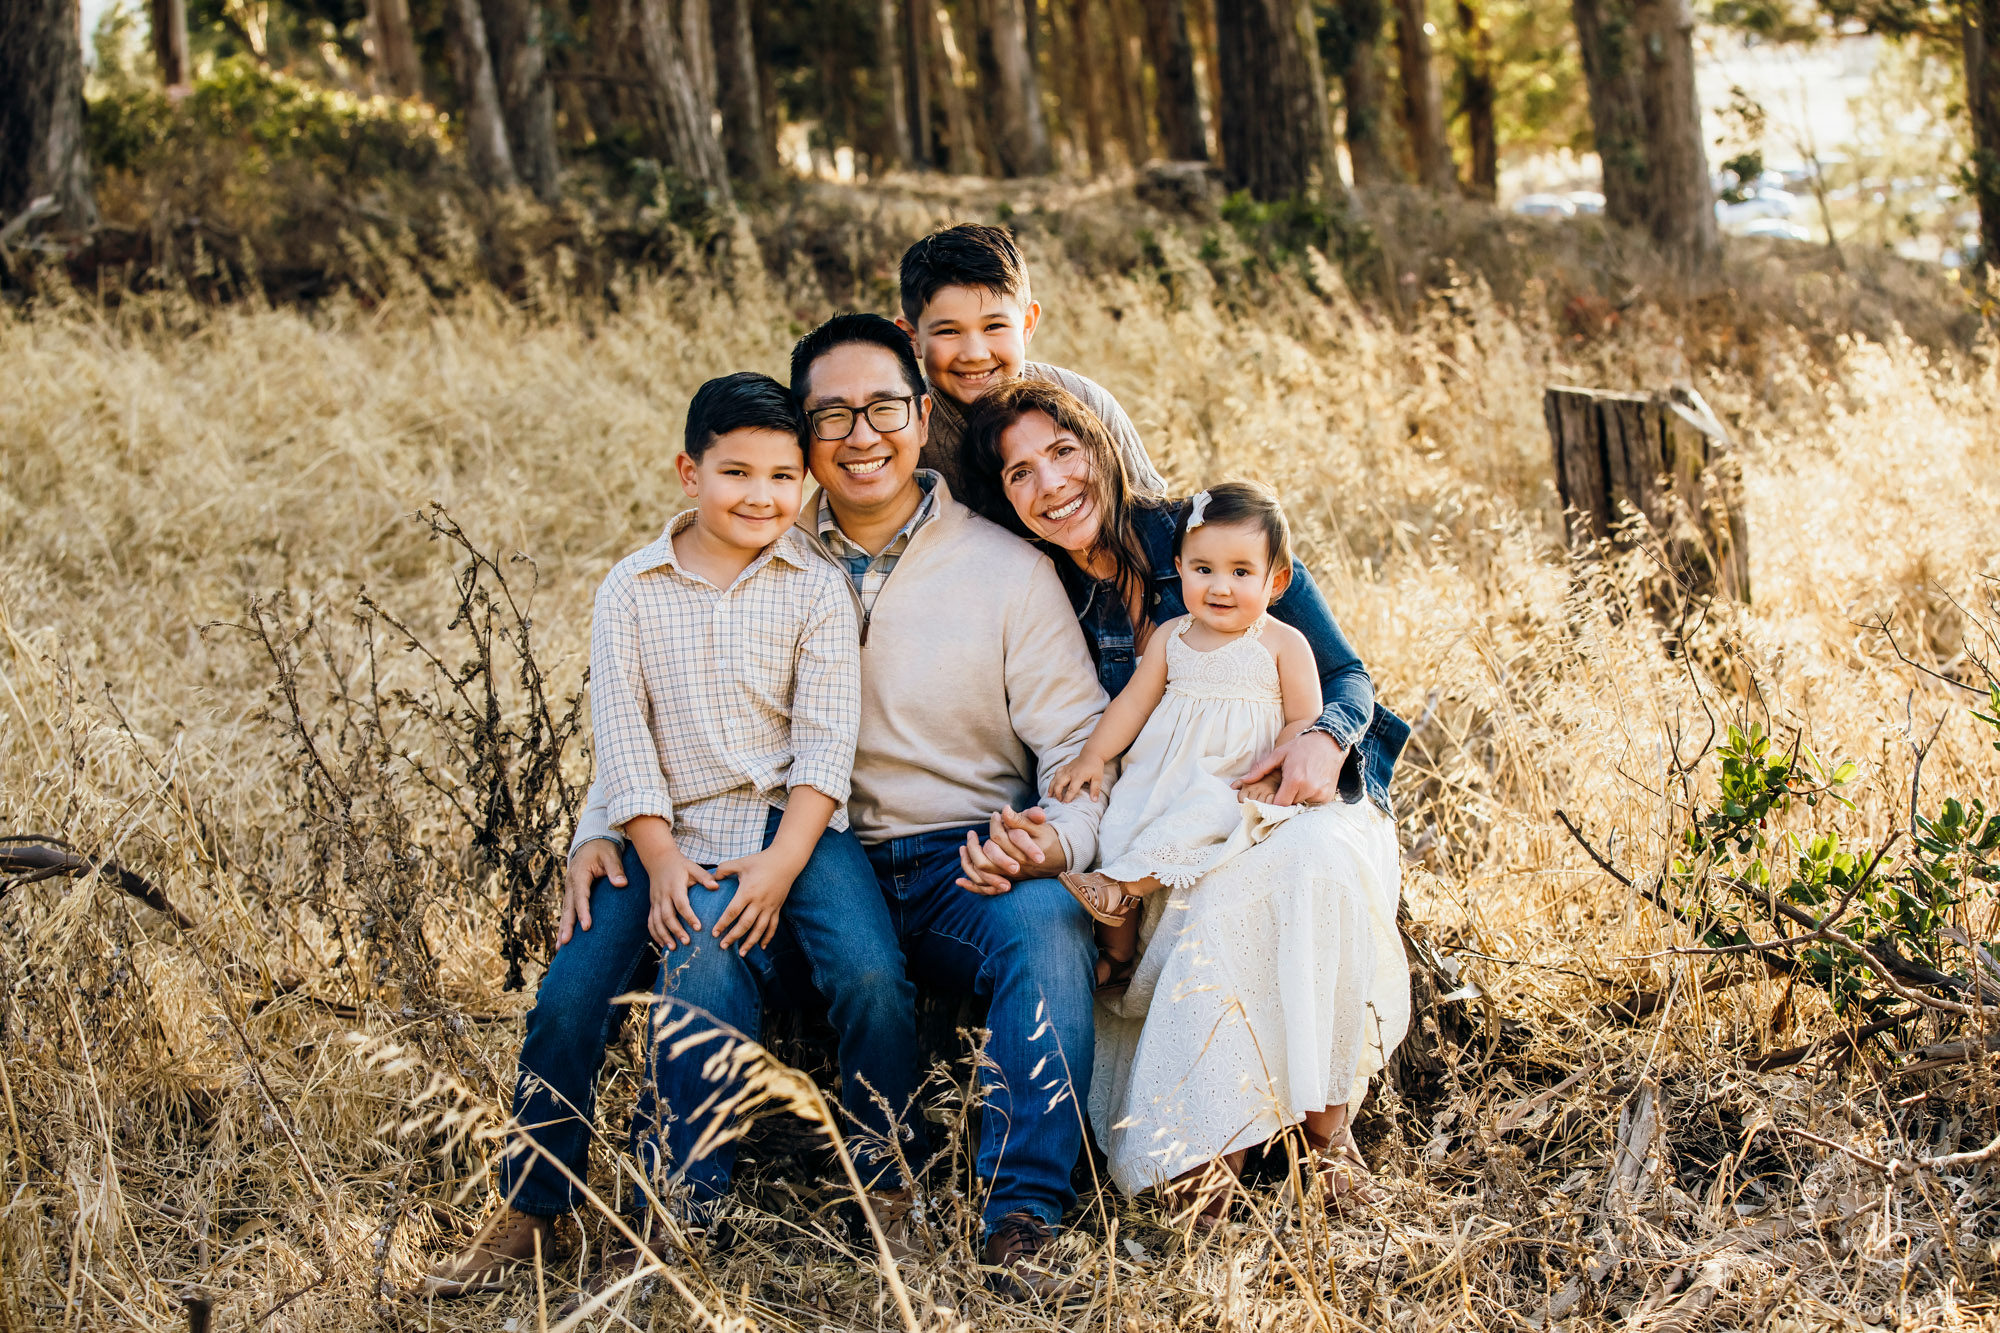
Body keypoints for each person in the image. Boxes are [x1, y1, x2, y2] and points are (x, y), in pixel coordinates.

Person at [567, 315, 1111, 1297]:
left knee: (1049, 925)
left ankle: (1022, 1218)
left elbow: (1078, 750)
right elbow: (657, 704)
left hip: (960, 859)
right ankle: (670, 1217)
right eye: (832, 415)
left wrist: (1050, 842)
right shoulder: (756, 547)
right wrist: (597, 828)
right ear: (799, 435)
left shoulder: (1007, 568)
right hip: (785, 853)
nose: (863, 435)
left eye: (884, 409)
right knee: (706, 953)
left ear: (920, 413)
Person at [423, 373, 922, 1298]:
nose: (762, 496)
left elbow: (825, 746)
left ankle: (864, 1183)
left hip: (790, 826)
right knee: (570, 997)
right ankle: (534, 1207)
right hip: (657, 822)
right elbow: (622, 732)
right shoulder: (633, 586)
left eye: (783, 477)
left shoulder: (814, 588)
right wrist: (651, 855)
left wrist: (779, 865)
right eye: (737, 472)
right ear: (689, 472)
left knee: (866, 976)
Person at [959, 378, 1413, 1220]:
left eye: (1063, 452)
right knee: (1199, 894)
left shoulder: (1213, 535)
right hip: (1167, 807)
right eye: (1020, 474)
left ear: (1101, 446)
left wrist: (1321, 737)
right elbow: (1083, 738)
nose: (1051, 484)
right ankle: (1207, 1142)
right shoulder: (1038, 591)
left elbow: (1346, 673)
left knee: (1303, 865)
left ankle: (1323, 1132)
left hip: (1277, 791)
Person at [1048, 483, 1326, 996]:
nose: (1220, 586)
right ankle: (1117, 953)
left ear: (1276, 579)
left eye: (1241, 572)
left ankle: (1119, 889)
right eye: (1204, 570)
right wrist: (1093, 754)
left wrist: (1270, 776)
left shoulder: (1284, 644)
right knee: (1119, 829)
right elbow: (1132, 704)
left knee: (1201, 819)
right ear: (1179, 567)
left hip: (1235, 779)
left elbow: (1303, 721)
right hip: (1162, 773)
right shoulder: (1171, 636)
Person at [894, 222, 1166, 500]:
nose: (974, 354)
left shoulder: (1087, 404)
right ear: (911, 337)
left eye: (994, 326)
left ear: (1027, 324)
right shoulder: (903, 430)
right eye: (948, 331)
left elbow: (1150, 516)